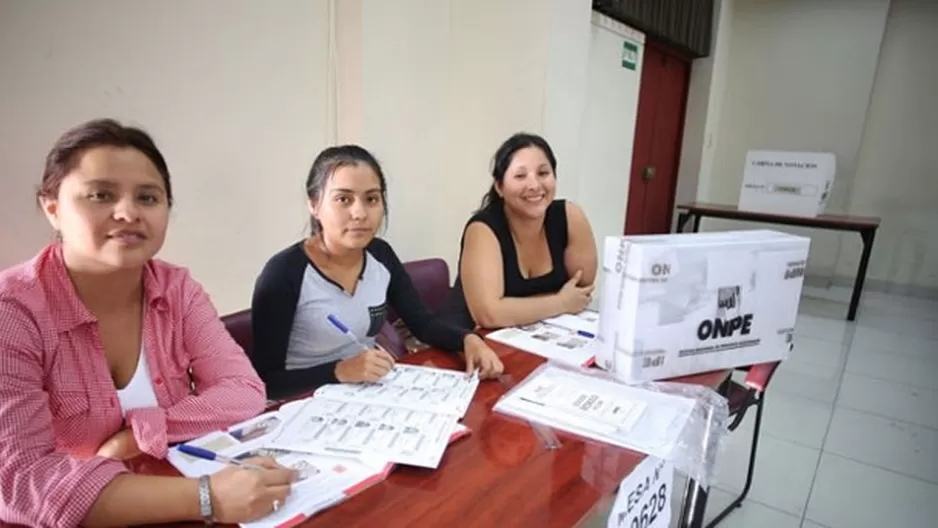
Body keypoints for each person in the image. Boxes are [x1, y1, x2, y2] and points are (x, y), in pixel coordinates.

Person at [0, 119, 296, 527]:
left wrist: (140, 433)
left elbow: (243, 391)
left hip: (169, 497)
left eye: (148, 198)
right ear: (52, 208)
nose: (127, 213)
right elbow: (22, 482)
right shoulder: (13, 310)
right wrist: (206, 497)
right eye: (100, 195)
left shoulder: (176, 289)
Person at [251, 145, 504, 400]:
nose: (360, 213)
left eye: (371, 199)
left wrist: (468, 340)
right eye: (343, 199)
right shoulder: (284, 274)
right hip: (303, 405)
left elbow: (423, 324)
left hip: (368, 396)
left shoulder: (380, 255)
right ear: (314, 205)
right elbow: (266, 382)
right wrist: (338, 371)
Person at [440, 133, 598, 329]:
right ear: (500, 186)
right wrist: (560, 303)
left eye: (543, 173)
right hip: (469, 341)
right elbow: (489, 315)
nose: (534, 185)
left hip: (537, 337)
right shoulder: (482, 229)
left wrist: (517, 309)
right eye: (520, 176)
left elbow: (580, 293)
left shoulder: (570, 216)